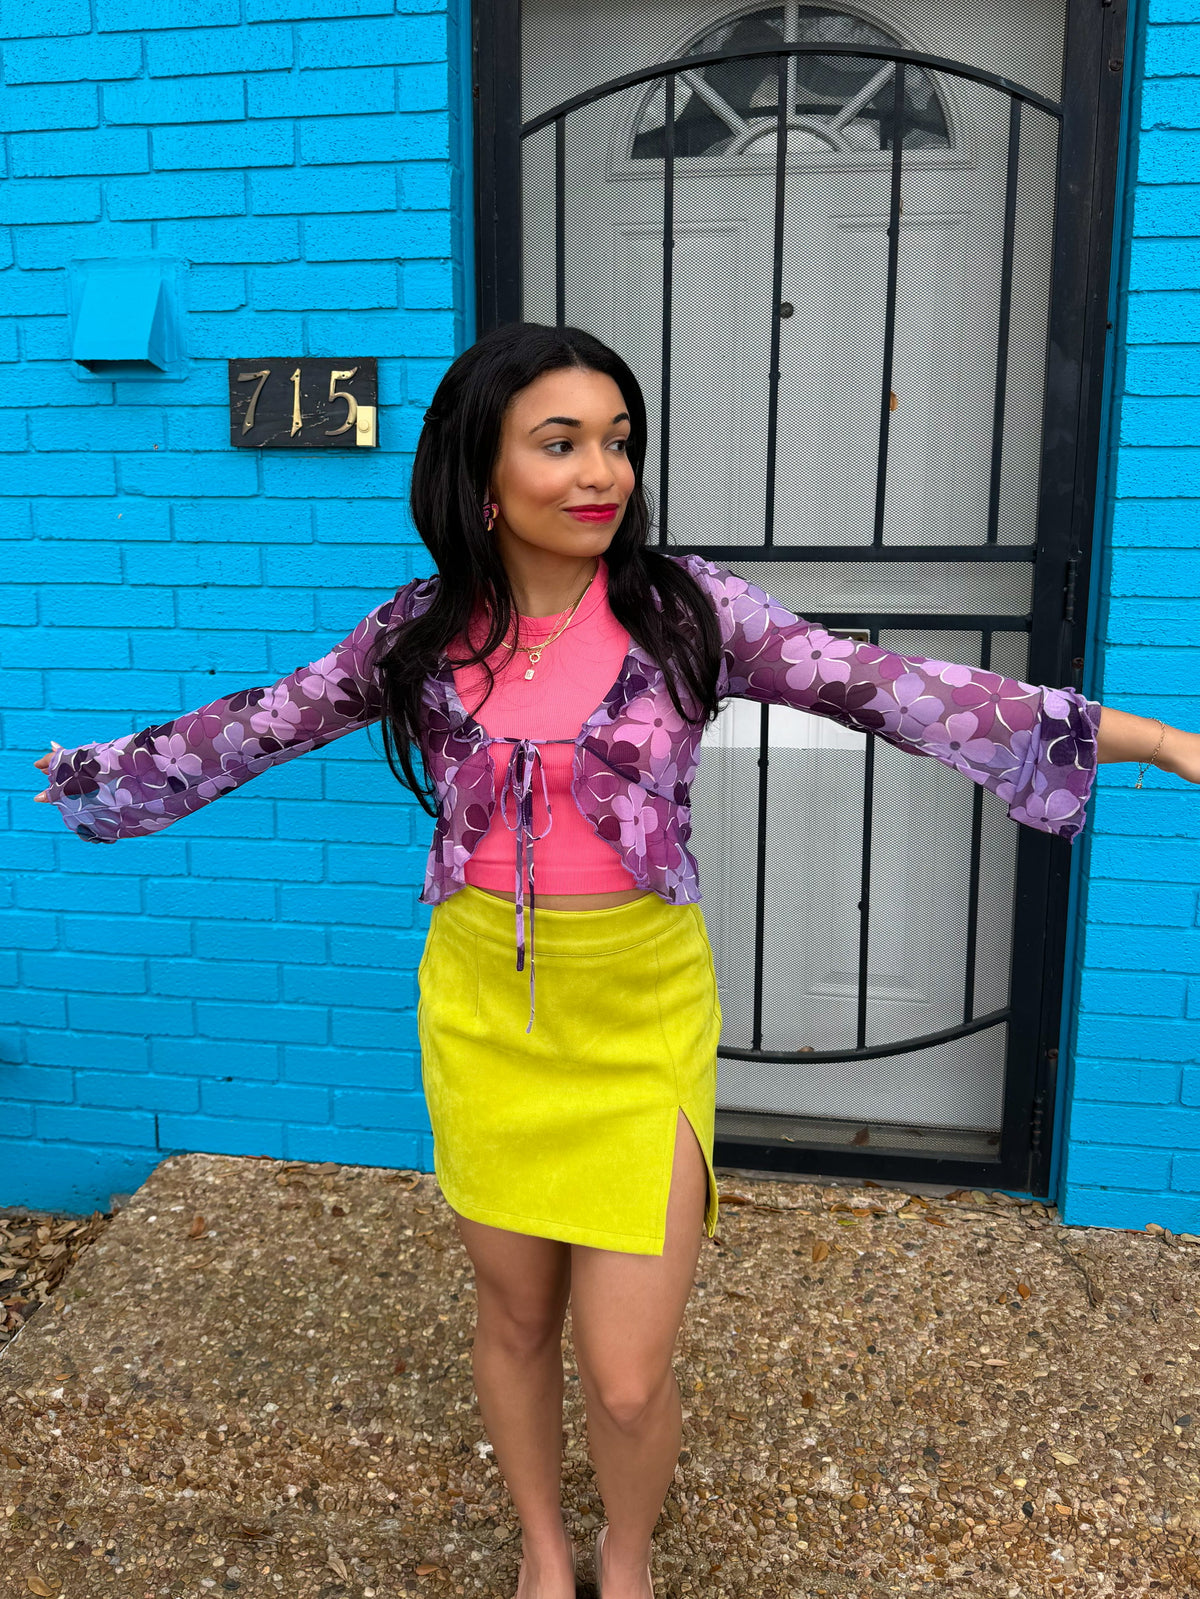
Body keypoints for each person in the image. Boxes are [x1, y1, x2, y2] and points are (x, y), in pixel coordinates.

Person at [32, 322, 1200, 1599]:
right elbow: (264, 721)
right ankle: (545, 1548)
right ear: (481, 472)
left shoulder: (685, 611)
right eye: (561, 443)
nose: (602, 472)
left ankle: (625, 1553)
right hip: (486, 1011)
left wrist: (1152, 739)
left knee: (630, 1372)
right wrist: (103, 778)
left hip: (639, 1010)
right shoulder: (417, 630)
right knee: (516, 1319)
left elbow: (894, 687)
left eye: (618, 441)